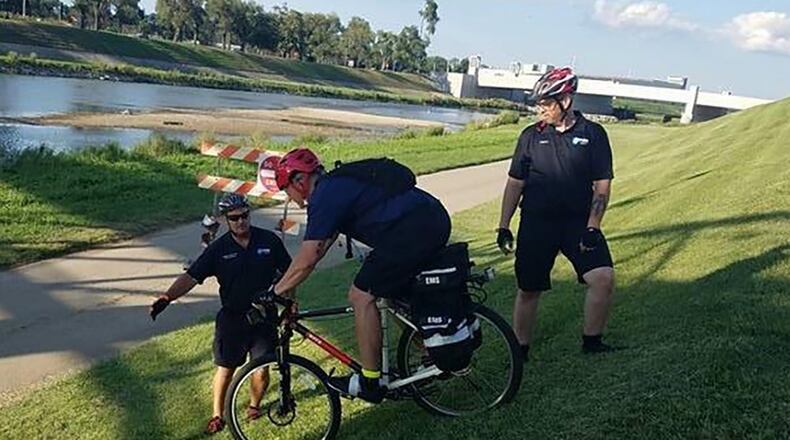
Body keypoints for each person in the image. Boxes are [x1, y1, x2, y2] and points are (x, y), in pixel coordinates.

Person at [270, 149, 451, 403]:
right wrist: (285, 285)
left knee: (360, 295)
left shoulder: (324, 195)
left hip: (414, 231)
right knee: (387, 291)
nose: (286, 196)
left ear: (299, 181)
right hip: (430, 220)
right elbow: (320, 246)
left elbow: (311, 254)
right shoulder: (334, 185)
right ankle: (432, 348)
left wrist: (274, 293)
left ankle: (370, 381)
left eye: (285, 188)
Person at [496, 67, 617, 361]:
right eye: (539, 104)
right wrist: (503, 225)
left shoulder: (593, 134)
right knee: (528, 289)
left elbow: (602, 184)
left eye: (547, 104)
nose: (542, 110)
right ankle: (520, 350)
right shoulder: (530, 136)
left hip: (577, 223)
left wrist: (593, 226)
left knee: (603, 278)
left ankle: (592, 342)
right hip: (537, 223)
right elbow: (515, 183)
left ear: (566, 100)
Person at [149, 194, 292, 434]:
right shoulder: (218, 249)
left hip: (264, 316)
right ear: (226, 220)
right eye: (234, 218)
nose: (240, 222)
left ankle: (254, 406)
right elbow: (192, 276)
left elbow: (290, 274)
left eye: (244, 215)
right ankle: (218, 414)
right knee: (226, 369)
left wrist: (290, 303)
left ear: (249, 214)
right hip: (232, 318)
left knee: (262, 367)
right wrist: (167, 297)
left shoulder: (269, 240)